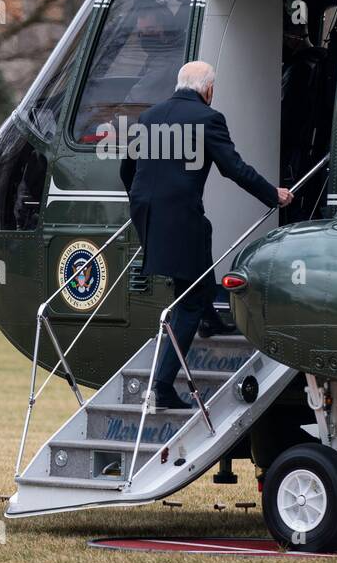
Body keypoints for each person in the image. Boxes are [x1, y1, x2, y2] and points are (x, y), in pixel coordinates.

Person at [119, 62, 292, 410]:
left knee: (204, 233)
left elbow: (127, 168)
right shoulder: (207, 118)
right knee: (189, 302)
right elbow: (234, 168)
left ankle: (211, 319)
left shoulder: (149, 116)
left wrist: (145, 202)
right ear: (209, 89)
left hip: (147, 211)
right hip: (177, 214)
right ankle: (161, 387)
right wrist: (273, 195)